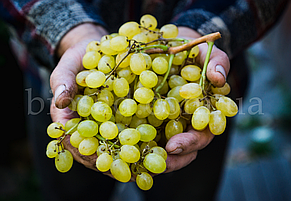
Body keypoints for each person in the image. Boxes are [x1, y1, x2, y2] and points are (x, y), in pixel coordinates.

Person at [0, 0, 288, 200]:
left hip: (197, 97)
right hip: (60, 85)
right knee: (70, 192)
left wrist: (202, 30)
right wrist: (71, 31)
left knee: (186, 192)